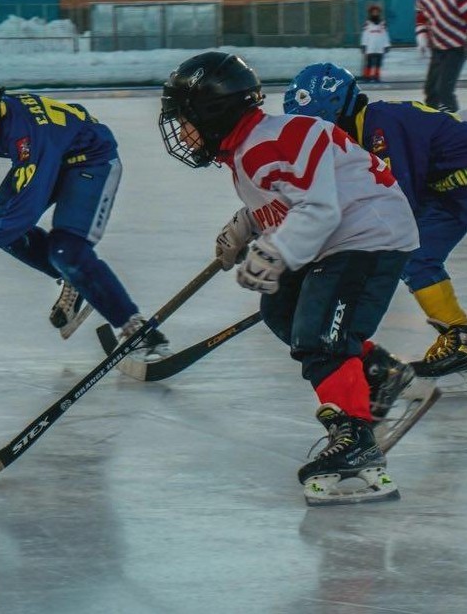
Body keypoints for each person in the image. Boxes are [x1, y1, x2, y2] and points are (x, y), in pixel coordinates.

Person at [159, 51, 420, 505]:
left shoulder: (269, 142)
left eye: (186, 119)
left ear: (213, 111)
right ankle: (377, 372)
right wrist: (248, 224)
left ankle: (355, 442)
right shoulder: (247, 151)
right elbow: (288, 201)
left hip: (368, 234)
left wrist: (274, 252)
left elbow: (318, 208)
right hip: (342, 236)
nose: (182, 132)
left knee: (319, 333)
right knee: (281, 310)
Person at [0, 66, 168, 356]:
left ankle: (134, 328)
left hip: (89, 160)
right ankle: (75, 280)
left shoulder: (25, 134)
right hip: (51, 157)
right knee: (4, 231)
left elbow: (28, 199)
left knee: (67, 250)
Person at [284, 61, 467, 377]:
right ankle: (460, 334)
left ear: (331, 111)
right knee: (417, 256)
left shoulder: (379, 127)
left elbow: (395, 206)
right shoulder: (362, 132)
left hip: (452, 190)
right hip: (450, 193)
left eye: (313, 126)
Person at [415, 0, 467, 113]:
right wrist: (422, 37)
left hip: (456, 48)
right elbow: (421, 19)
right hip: (437, 49)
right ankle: (432, 122)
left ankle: (454, 127)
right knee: (431, 90)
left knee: (444, 89)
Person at [360, 4, 390, 83]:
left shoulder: (382, 23)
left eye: (377, 12)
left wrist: (386, 45)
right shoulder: (368, 23)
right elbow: (365, 34)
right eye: (374, 12)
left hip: (379, 46)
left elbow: (385, 35)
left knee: (378, 63)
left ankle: (376, 76)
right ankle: (367, 76)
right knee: (369, 62)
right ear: (371, 13)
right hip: (370, 46)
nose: (375, 13)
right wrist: (364, 45)